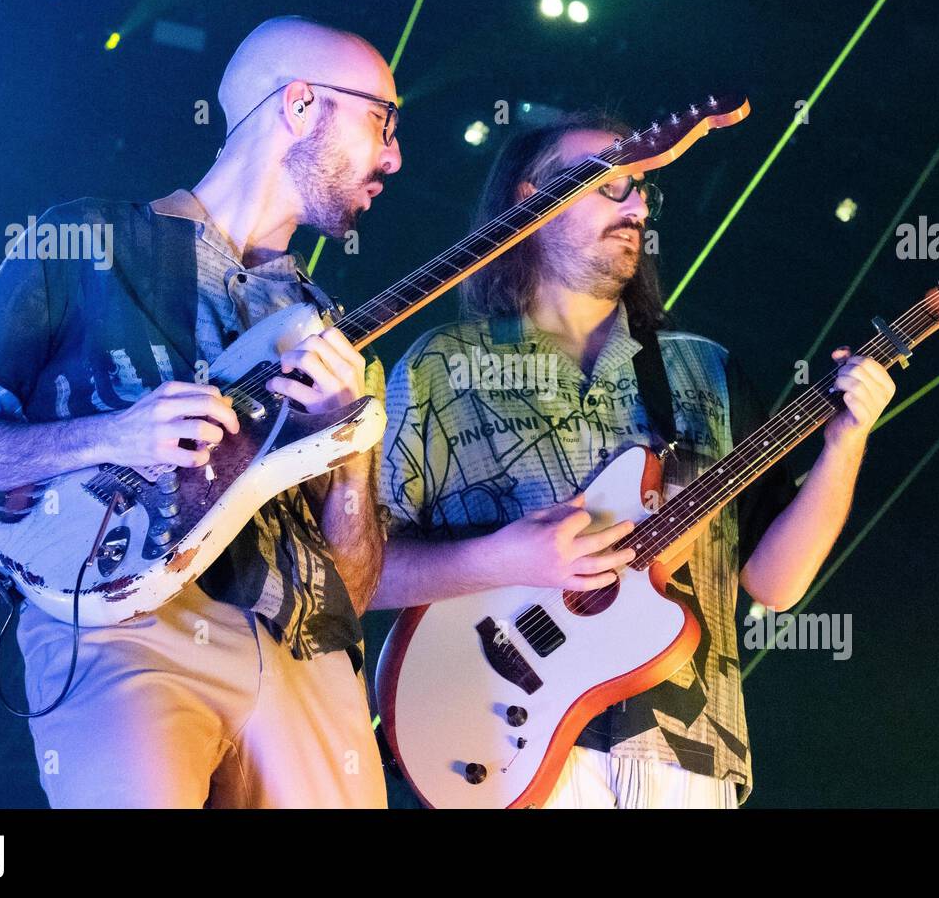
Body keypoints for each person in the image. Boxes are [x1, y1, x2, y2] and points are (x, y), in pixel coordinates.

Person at [0, 16, 402, 808]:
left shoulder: (318, 317)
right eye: (383, 118)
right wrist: (114, 435)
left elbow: (356, 581)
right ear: (301, 105)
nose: (394, 156)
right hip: (117, 625)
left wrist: (353, 448)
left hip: (301, 644)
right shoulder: (85, 240)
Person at [373, 111, 896, 808]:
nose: (639, 205)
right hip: (491, 744)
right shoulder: (442, 367)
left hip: (687, 758)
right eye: (611, 186)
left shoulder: (706, 370)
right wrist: (503, 560)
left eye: (643, 189)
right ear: (532, 197)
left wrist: (846, 444)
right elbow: (356, 574)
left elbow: (776, 583)